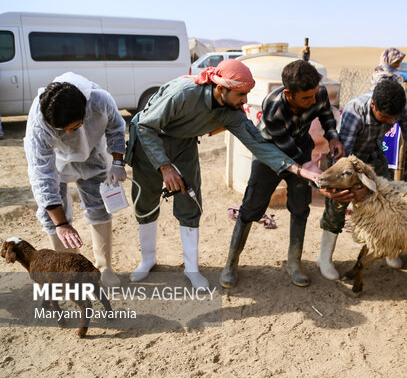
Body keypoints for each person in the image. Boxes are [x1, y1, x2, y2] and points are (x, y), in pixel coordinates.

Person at [127, 59, 318, 289]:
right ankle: (147, 261)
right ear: (221, 89)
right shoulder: (184, 93)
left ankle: (191, 269)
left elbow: (259, 145)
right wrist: (165, 167)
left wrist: (298, 170)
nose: (245, 101)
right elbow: (145, 126)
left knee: (190, 203)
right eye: (241, 94)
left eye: (248, 94)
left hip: (184, 146)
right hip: (150, 143)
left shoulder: (233, 114)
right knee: (145, 203)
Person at [220, 60, 344, 288]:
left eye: (314, 95)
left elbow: (326, 114)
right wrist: (309, 169)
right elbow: (285, 147)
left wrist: (333, 136)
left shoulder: (318, 93)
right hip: (270, 152)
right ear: (289, 93)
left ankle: (294, 262)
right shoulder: (273, 105)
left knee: (300, 207)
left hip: (300, 147)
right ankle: (231, 262)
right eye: (306, 98)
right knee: (251, 208)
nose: (312, 101)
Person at [317, 78, 407, 280]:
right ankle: (324, 257)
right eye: (384, 117)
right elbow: (343, 157)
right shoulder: (354, 111)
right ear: (373, 105)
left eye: (393, 118)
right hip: (349, 162)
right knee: (337, 203)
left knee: (389, 201)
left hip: (374, 157)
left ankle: (389, 248)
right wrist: (352, 187)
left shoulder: (400, 108)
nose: (390, 123)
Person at [24, 72, 127, 287]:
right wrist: (61, 224)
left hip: (92, 155)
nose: (70, 133)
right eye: (65, 130)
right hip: (56, 160)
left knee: (99, 207)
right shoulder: (39, 123)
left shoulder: (100, 101)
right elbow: (41, 174)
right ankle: (70, 271)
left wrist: (117, 161)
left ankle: (104, 267)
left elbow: (116, 128)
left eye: (75, 127)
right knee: (50, 215)